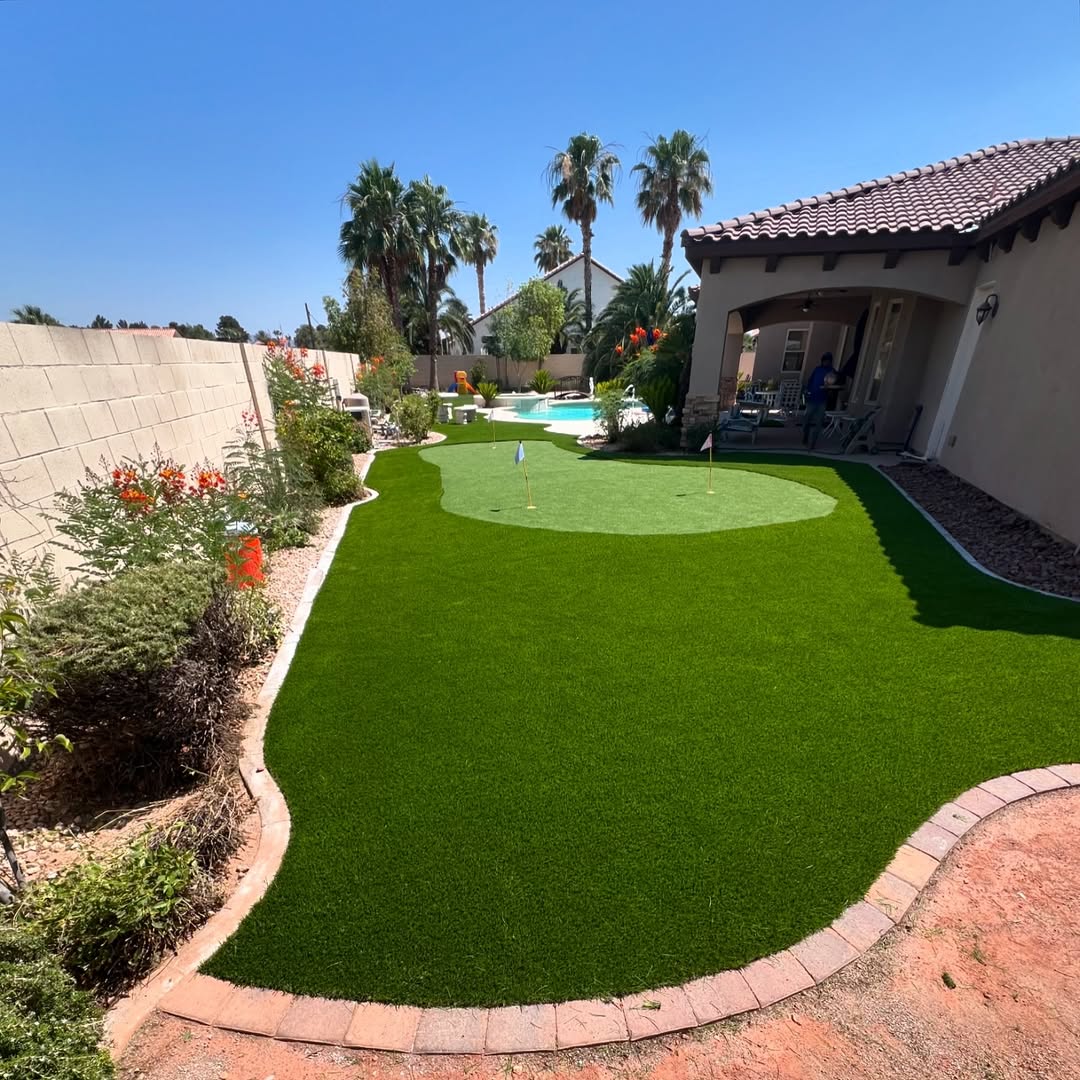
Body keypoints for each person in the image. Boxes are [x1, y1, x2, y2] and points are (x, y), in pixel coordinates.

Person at [802, 352, 837, 450]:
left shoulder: (832, 372)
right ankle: (805, 436)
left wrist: (829, 388)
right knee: (806, 420)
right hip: (812, 399)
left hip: (822, 401)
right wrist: (807, 391)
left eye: (828, 361)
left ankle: (813, 442)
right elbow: (810, 381)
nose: (826, 363)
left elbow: (834, 384)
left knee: (819, 423)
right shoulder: (817, 370)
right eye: (825, 361)